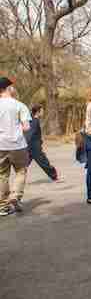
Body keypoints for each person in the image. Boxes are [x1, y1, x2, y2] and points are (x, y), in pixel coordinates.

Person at [0, 77, 31, 216]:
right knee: (20, 171)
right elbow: (26, 127)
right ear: (8, 88)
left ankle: (3, 206)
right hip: (18, 144)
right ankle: (15, 196)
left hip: (0, 144)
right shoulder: (20, 105)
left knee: (2, 175)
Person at [25, 104, 60, 182]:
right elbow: (30, 135)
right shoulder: (34, 121)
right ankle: (54, 177)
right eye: (42, 110)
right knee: (44, 162)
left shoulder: (32, 120)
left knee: (24, 165)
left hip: (30, 146)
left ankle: (19, 179)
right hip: (34, 147)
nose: (43, 112)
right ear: (38, 112)